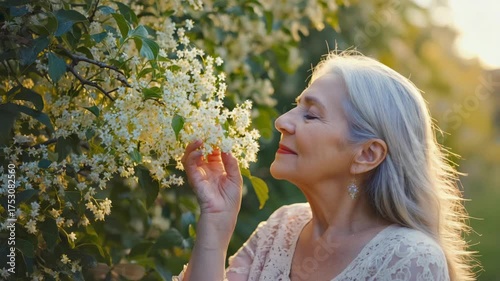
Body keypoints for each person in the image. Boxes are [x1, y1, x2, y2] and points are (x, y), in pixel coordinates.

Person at [173, 53, 475, 281]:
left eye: (311, 115)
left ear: (367, 154)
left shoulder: (409, 259)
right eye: (297, 106)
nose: (282, 121)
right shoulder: (281, 228)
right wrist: (215, 220)